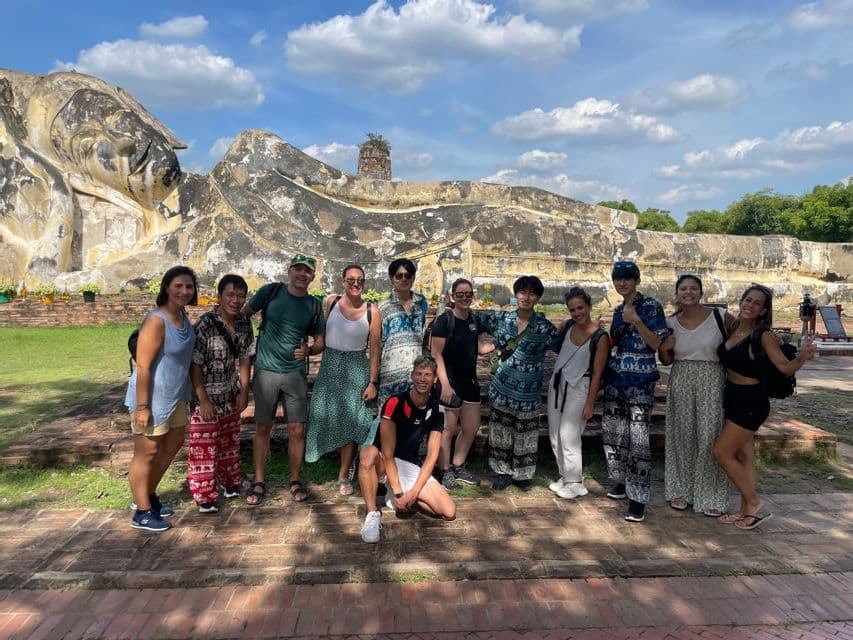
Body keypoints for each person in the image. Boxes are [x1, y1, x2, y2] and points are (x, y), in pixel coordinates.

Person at [713, 284, 816, 530]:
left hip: (751, 402)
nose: (750, 305)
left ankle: (754, 502)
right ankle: (745, 511)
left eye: (757, 303)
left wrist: (802, 357)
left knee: (721, 452)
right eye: (747, 300)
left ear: (763, 311)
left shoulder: (764, 336)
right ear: (742, 301)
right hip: (732, 397)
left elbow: (785, 368)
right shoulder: (733, 328)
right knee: (744, 455)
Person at [242, 254, 325, 505]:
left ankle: (295, 479)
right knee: (262, 427)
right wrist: (246, 348)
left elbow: (321, 341)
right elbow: (244, 314)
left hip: (295, 373)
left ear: (312, 277)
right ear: (289, 271)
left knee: (297, 429)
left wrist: (309, 350)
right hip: (266, 370)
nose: (302, 274)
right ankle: (259, 480)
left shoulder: (313, 305)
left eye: (307, 271)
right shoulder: (271, 292)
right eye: (298, 269)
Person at [125, 266, 197, 532]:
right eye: (178, 286)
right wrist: (143, 407)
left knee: (174, 443)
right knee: (147, 452)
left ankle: (148, 494)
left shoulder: (182, 316)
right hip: (152, 396)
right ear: (167, 287)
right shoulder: (156, 320)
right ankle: (142, 512)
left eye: (188, 286)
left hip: (174, 395)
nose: (184, 291)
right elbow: (143, 366)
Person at [359, 356, 456, 543]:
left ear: (435, 378)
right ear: (412, 376)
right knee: (367, 453)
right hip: (384, 463)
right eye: (418, 374)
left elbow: (432, 456)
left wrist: (412, 493)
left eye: (427, 375)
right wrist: (398, 492)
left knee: (449, 511)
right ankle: (372, 514)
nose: (422, 379)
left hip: (408, 465)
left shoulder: (437, 409)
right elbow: (388, 453)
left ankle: (404, 500)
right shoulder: (395, 402)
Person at [658, 275, 733, 517]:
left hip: (712, 378)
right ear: (677, 293)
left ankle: (710, 494)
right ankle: (680, 490)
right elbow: (667, 360)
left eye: (693, 288)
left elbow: (743, 335)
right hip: (681, 377)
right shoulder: (670, 322)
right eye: (683, 289)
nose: (688, 292)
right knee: (682, 435)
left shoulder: (720, 316)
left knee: (709, 435)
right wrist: (665, 347)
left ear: (701, 293)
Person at [305, 264, 382, 495]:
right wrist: (308, 349)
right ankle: (344, 460)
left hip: (356, 368)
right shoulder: (331, 303)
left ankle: (343, 473)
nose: (356, 284)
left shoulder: (372, 311)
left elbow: (375, 349)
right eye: (351, 280)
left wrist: (372, 382)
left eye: (360, 280)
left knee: (351, 419)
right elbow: (319, 335)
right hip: (330, 365)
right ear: (343, 281)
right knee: (325, 414)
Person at [602, 260, 669, 523]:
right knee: (615, 434)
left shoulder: (651, 306)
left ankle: (638, 498)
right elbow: (615, 342)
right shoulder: (618, 310)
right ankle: (621, 481)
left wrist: (637, 321)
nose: (622, 283)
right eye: (617, 278)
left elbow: (656, 343)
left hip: (641, 382)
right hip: (616, 378)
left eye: (627, 278)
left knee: (639, 439)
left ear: (637, 280)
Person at [480, 275, 559, 491]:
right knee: (500, 431)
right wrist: (480, 345)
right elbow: (474, 321)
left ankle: (522, 475)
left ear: (538, 298)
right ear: (516, 294)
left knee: (527, 433)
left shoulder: (543, 327)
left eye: (532, 293)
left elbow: (564, 343)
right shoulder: (502, 319)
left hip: (529, 391)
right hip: (502, 387)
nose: (526, 297)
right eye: (523, 292)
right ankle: (502, 472)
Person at [188, 274, 255, 513]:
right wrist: (203, 400)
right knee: (204, 448)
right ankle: (204, 495)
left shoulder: (244, 324)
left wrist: (244, 391)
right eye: (230, 295)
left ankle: (230, 482)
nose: (235, 301)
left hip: (229, 393)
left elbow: (245, 359)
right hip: (206, 396)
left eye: (240, 296)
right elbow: (194, 365)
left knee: (229, 443)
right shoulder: (205, 325)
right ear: (220, 296)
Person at [546, 287, 609, 500]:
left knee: (569, 434)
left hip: (580, 387)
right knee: (555, 434)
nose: (577, 313)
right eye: (572, 309)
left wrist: (590, 403)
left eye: (580, 308)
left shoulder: (600, 337)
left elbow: (598, 373)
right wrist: (563, 324)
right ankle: (565, 475)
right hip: (558, 384)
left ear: (589, 306)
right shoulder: (569, 326)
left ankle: (575, 481)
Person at [430, 278, 490, 489]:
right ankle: (444, 469)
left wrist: (500, 346)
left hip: (469, 382)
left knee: (471, 427)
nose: (464, 298)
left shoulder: (473, 319)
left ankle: (458, 465)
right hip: (449, 382)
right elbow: (436, 354)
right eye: (460, 294)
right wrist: (445, 385)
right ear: (453, 297)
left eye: (468, 294)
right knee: (447, 429)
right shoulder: (444, 320)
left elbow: (478, 347)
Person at [377, 258, 428, 404]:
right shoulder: (383, 307)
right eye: (399, 276)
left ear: (413, 278)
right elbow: (378, 343)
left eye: (407, 275)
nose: (404, 279)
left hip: (416, 375)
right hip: (390, 374)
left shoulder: (421, 303)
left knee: (415, 415)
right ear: (391, 278)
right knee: (388, 414)